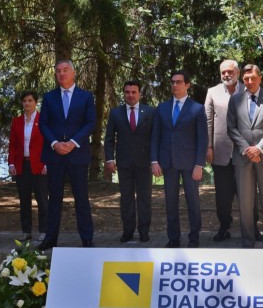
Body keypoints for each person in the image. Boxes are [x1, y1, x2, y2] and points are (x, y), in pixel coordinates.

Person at [37, 60, 97, 250]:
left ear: (73, 72)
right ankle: (50, 239)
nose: (61, 73)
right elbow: (43, 123)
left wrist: (72, 142)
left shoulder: (86, 96)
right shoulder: (49, 97)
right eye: (58, 71)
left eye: (65, 70)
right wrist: (55, 143)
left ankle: (87, 238)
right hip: (54, 155)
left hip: (77, 154)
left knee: (81, 198)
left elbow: (90, 122)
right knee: (54, 199)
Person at [226, 64, 263, 248]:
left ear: (260, 78)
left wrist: (259, 148)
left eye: (253, 78)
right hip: (243, 158)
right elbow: (231, 128)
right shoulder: (235, 99)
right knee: (245, 203)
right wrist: (247, 149)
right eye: (246, 79)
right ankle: (248, 240)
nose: (249, 82)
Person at [151, 70, 208, 248]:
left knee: (193, 201)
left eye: (178, 82)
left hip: (190, 163)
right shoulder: (162, 108)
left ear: (187, 85)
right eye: (173, 82)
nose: (174, 85)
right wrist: (154, 161)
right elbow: (155, 136)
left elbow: (202, 139)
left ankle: (194, 238)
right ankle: (173, 238)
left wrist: (199, 164)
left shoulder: (197, 108)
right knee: (170, 202)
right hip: (168, 162)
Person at [205, 60, 254, 242]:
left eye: (230, 72)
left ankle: (252, 228)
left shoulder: (248, 90)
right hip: (220, 151)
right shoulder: (212, 92)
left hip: (245, 151)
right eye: (223, 72)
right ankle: (224, 227)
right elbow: (207, 121)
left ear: (238, 73)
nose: (226, 75)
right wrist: (208, 146)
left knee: (248, 194)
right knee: (223, 196)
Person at [104, 81, 154, 243]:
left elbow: (155, 138)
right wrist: (110, 159)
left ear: (139, 93)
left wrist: (155, 160)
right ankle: (128, 231)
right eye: (127, 92)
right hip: (124, 163)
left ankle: (144, 231)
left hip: (144, 162)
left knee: (144, 198)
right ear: (124, 93)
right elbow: (109, 138)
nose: (130, 95)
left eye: (134, 92)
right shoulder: (115, 113)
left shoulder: (150, 112)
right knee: (126, 198)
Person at [8, 90, 48, 242]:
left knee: (42, 200)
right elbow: (12, 144)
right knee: (24, 200)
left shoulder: (44, 119)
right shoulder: (17, 121)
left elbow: (48, 143)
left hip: (39, 165)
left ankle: (44, 230)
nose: (27, 103)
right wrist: (11, 163)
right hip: (21, 165)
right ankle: (26, 231)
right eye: (24, 101)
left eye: (30, 100)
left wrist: (47, 163)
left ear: (36, 102)